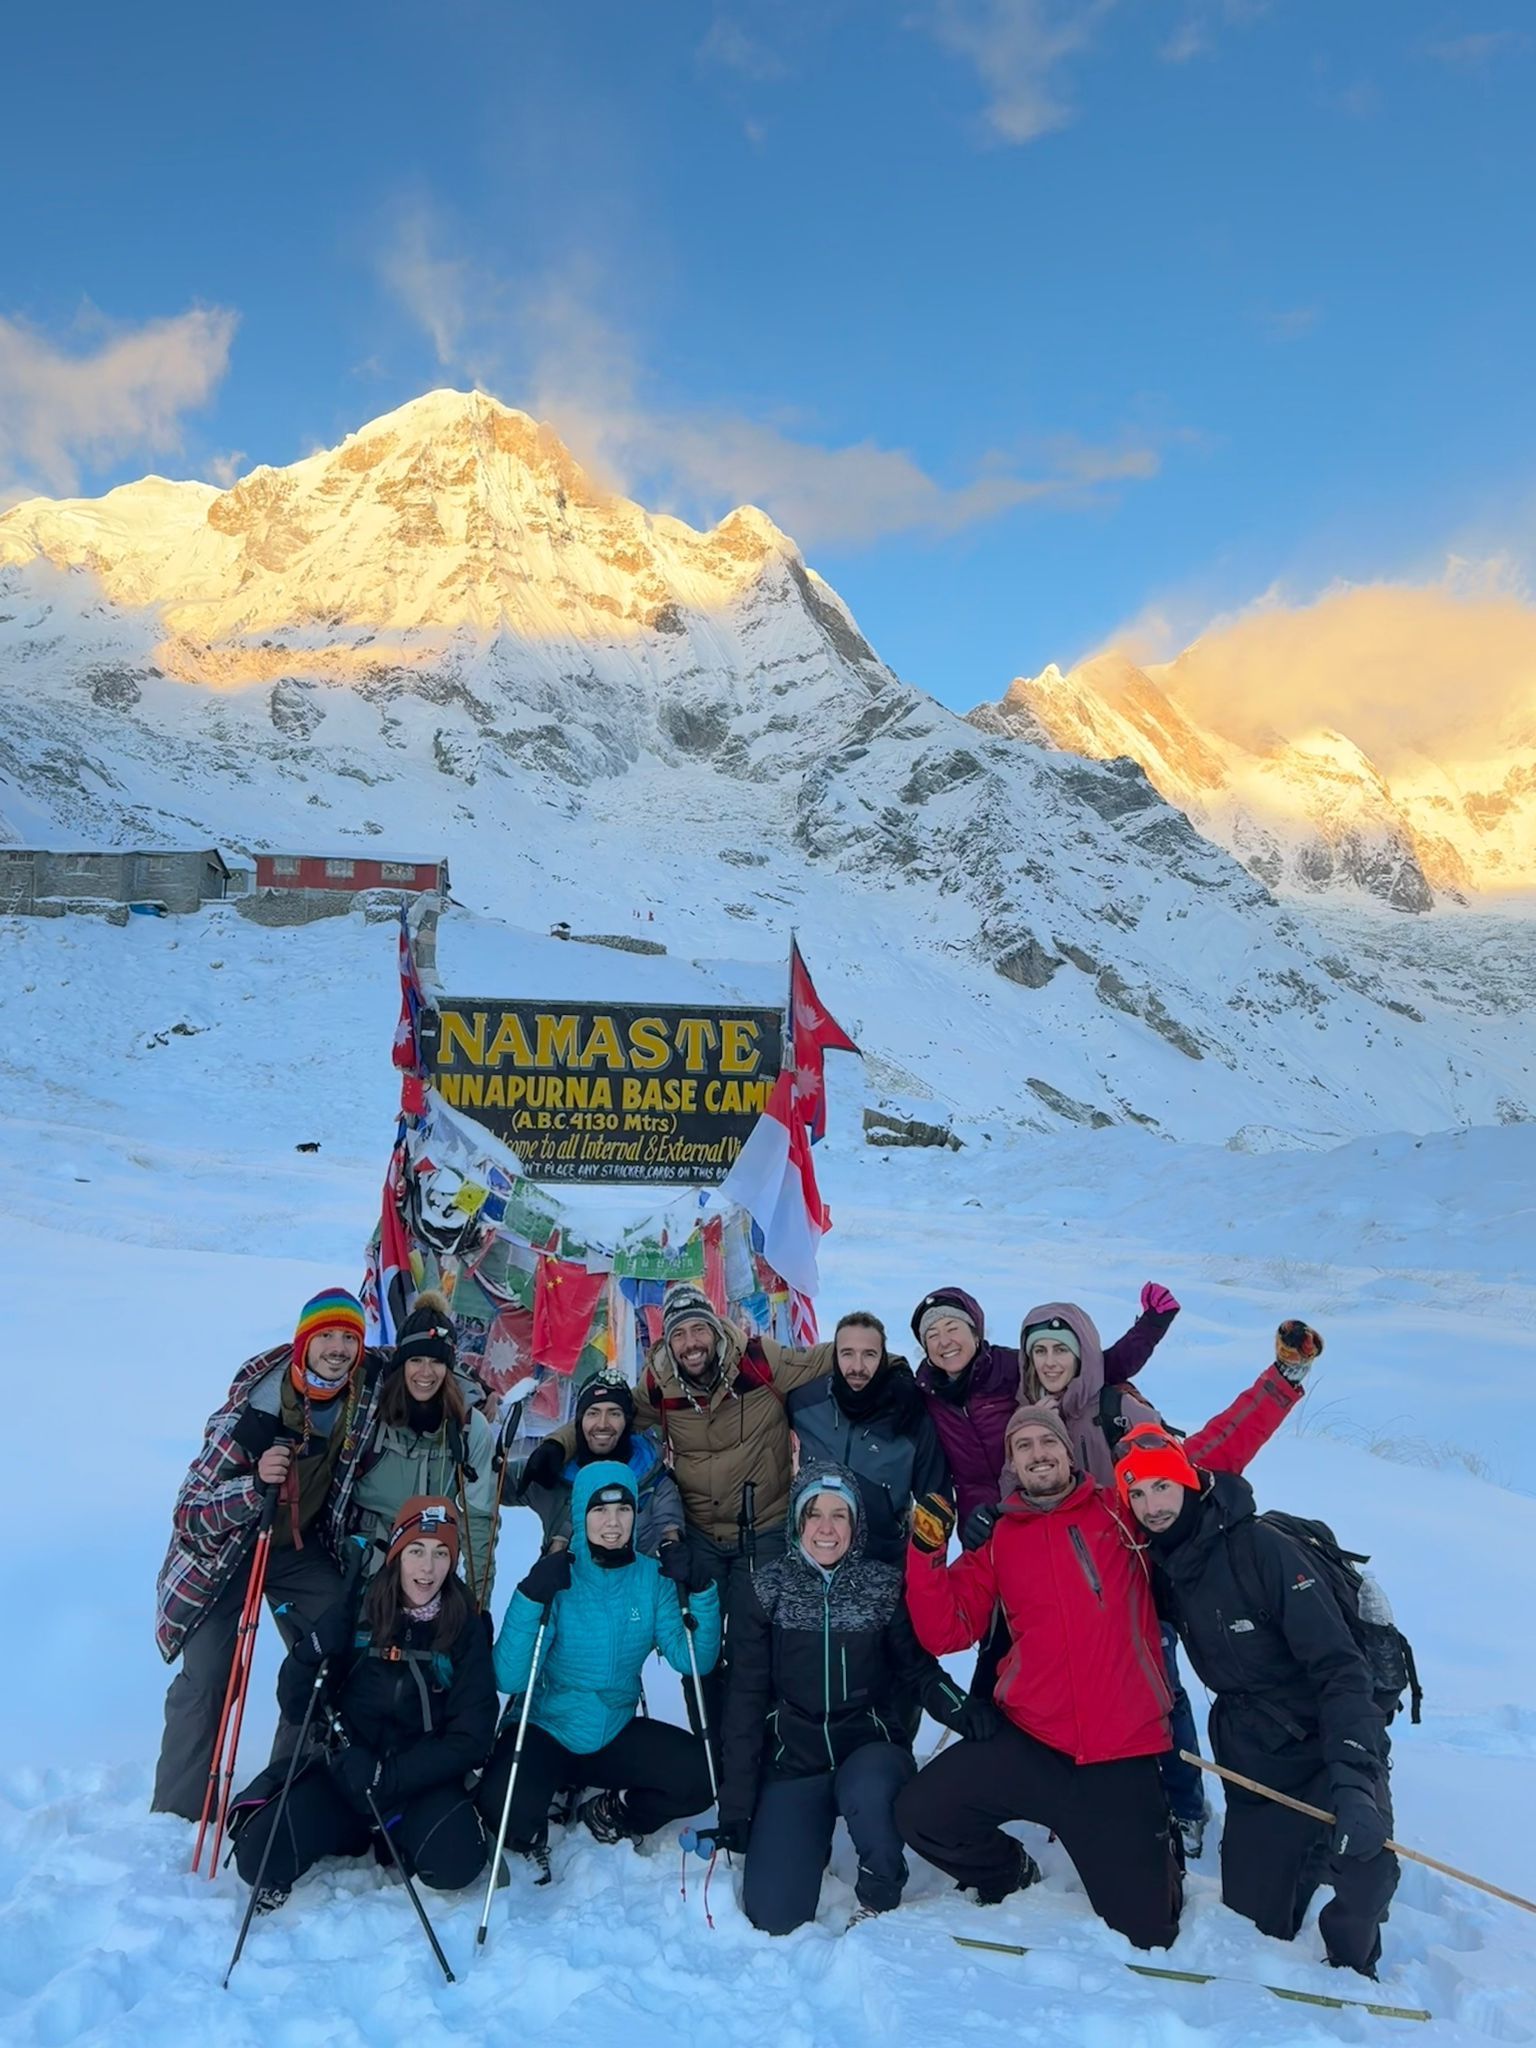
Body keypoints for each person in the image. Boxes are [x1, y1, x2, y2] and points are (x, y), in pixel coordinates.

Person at [895, 1342, 1309, 1953]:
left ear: (1068, 1452)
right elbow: (946, 1628)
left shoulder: (1122, 1509)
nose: (1038, 1455)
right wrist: (927, 1552)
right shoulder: (1001, 1540)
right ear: (1011, 1464)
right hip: (1032, 1742)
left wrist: (1282, 1379)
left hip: (1119, 1754)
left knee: (1149, 1931)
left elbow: (1209, 1453)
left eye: (1048, 1443)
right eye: (1024, 1447)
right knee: (922, 1813)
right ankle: (1011, 1874)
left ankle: (1153, 1845)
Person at [1117, 1378, 1397, 1977]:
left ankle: (1352, 1967)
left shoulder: (1263, 1550)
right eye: (1137, 1494)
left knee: (1365, 1858)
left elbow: (1340, 1669)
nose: (1152, 1505)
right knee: (1255, 1916)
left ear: (1189, 1480)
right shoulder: (1165, 1563)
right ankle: (1301, 1849)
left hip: (1330, 1731)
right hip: (1254, 1748)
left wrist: (1354, 1778)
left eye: (1162, 1485)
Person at [1015, 1294, 1302, 1857]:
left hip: (1135, 1580)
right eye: (1039, 1350)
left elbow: (1202, 1456)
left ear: (1083, 1354)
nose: (1050, 1361)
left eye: (1061, 1349)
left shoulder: (1116, 1409)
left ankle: (1185, 1805)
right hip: (1064, 1586)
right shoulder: (1026, 1415)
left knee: (1157, 1693)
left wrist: (1282, 1381)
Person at [534, 1283, 832, 1735]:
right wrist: (560, 1443)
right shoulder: (660, 1383)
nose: (690, 1343)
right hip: (698, 1538)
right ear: (667, 1342)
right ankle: (711, 1745)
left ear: (715, 1330)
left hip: (766, 1530)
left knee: (761, 1647)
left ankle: (766, 1746)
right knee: (699, 1648)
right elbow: (605, 1415)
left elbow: (834, 1358)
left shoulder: (761, 1362)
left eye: (698, 1330)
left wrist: (902, 1370)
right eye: (679, 1334)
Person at [710, 1464, 995, 1935]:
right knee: (774, 1916)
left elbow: (919, 1671)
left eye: (839, 1515)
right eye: (814, 1514)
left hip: (869, 1749)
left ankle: (881, 1886)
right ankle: (805, 1841)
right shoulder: (766, 1590)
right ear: (798, 1523)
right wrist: (736, 1805)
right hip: (794, 1759)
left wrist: (963, 1711)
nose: (826, 1528)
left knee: (868, 1789)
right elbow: (744, 1698)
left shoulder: (883, 1588)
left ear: (856, 1524)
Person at [152, 1287, 390, 1819]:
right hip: (228, 1553)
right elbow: (189, 1510)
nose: (337, 1348)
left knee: (331, 1647)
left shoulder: (361, 1392)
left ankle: (290, 1792)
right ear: (303, 1342)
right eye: (325, 1335)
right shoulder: (254, 1409)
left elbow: (420, 1363)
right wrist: (253, 1487)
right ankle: (179, 1814)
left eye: (348, 1338)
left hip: (298, 1550)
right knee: (211, 1676)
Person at [910, 1281, 1179, 1704]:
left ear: (976, 1330)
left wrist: (1151, 1325)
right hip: (997, 1528)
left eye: (952, 1327)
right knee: (1008, 1642)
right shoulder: (925, 1393)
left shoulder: (1014, 1370)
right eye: (931, 1335)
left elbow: (1096, 1366)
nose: (944, 1341)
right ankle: (1001, 1736)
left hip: (1084, 1526)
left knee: (1139, 1664)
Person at [229, 1495, 496, 1911]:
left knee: (457, 1864)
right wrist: (310, 1651)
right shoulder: (359, 1609)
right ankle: (356, 1833)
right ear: (396, 1554)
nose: (428, 1568)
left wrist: (388, 1776)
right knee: (258, 1858)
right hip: (345, 1777)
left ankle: (400, 1834)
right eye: (417, 1551)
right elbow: (299, 1706)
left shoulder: (465, 1626)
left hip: (417, 1787)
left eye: (442, 1552)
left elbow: (472, 1737)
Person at [476, 1462, 720, 1870]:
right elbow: (508, 1676)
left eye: (623, 1509)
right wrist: (531, 1596)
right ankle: (549, 1791)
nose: (612, 1523)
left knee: (701, 1777)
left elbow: (692, 1659)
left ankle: (612, 1810)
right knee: (506, 1818)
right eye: (599, 1511)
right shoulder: (559, 1576)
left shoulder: (650, 1578)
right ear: (579, 1515)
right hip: (546, 1727)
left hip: (612, 1728)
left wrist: (701, 1591)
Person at [348, 1292, 502, 1604]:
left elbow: (479, 1519)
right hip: (366, 1568)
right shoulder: (367, 1414)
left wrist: (477, 1606)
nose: (426, 1373)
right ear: (401, 1362)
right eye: (416, 1360)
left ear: (450, 1368)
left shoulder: (469, 1427)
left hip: (431, 1575)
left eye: (436, 1362)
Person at [785, 1312, 948, 1564]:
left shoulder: (909, 1414)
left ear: (883, 1357)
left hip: (883, 1562)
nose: (858, 1367)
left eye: (869, 1354)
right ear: (834, 1355)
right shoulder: (804, 1402)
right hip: (814, 1557)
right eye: (847, 1353)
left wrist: (924, 1568)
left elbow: (936, 1500)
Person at [516, 1369, 684, 1558]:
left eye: (614, 1413)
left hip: (642, 1584)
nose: (603, 1423)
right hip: (566, 1585)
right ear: (579, 1421)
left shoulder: (654, 1477)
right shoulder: (552, 1470)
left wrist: (673, 1550)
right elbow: (486, 1480)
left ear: (628, 1421)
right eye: (593, 1413)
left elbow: (670, 1529)